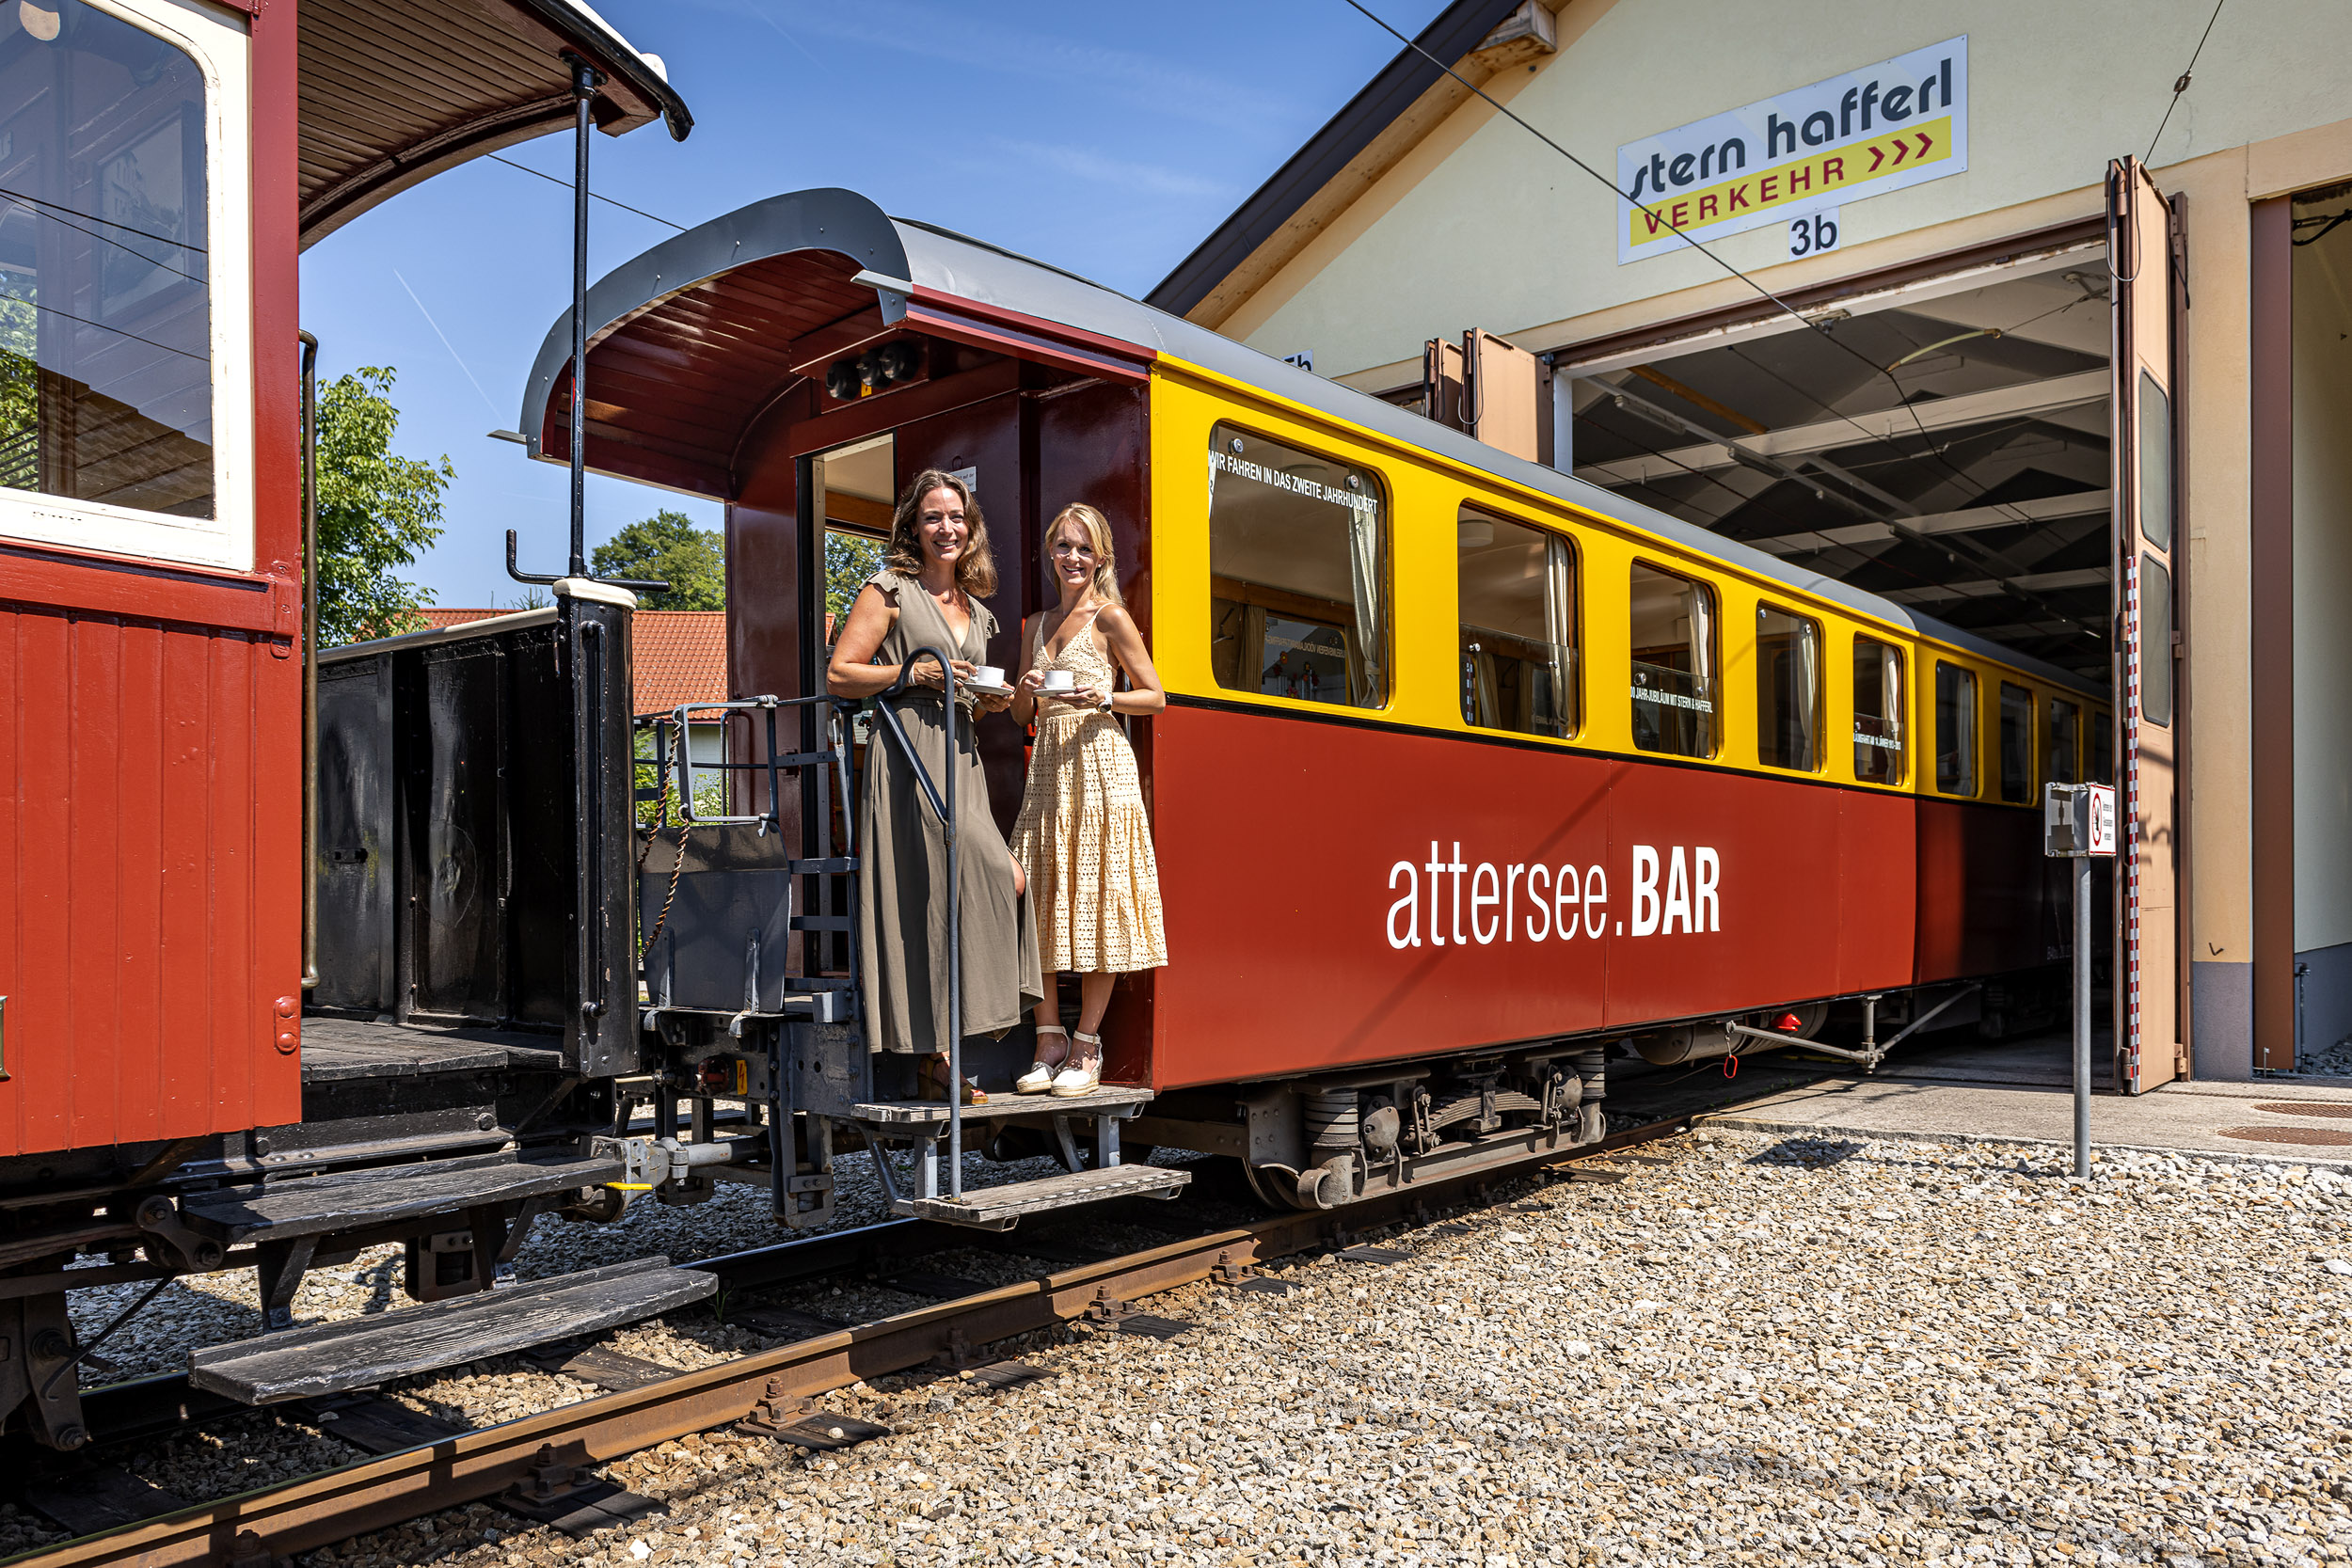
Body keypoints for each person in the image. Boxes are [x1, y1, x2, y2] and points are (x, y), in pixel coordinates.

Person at [828, 469, 1042, 1098]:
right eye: (932, 517)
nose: (945, 528)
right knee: (942, 886)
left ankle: (945, 1049)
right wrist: (912, 671)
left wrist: (988, 702)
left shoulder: (976, 610)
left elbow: (963, 695)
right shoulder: (889, 589)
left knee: (991, 879)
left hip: (961, 755)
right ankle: (941, 1053)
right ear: (913, 528)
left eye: (956, 517)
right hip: (909, 756)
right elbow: (842, 673)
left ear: (971, 529)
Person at [1008, 503, 1168, 1097]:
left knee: (1100, 897)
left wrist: (1107, 697)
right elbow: (1024, 715)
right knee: (1041, 899)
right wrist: (1022, 690)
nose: (1071, 558)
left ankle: (1086, 1046)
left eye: (1082, 548)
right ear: (1051, 555)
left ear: (1099, 557)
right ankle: (1047, 1037)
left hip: (1102, 770)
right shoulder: (1034, 624)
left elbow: (1155, 696)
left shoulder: (1111, 618)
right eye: (1062, 548)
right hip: (1049, 774)